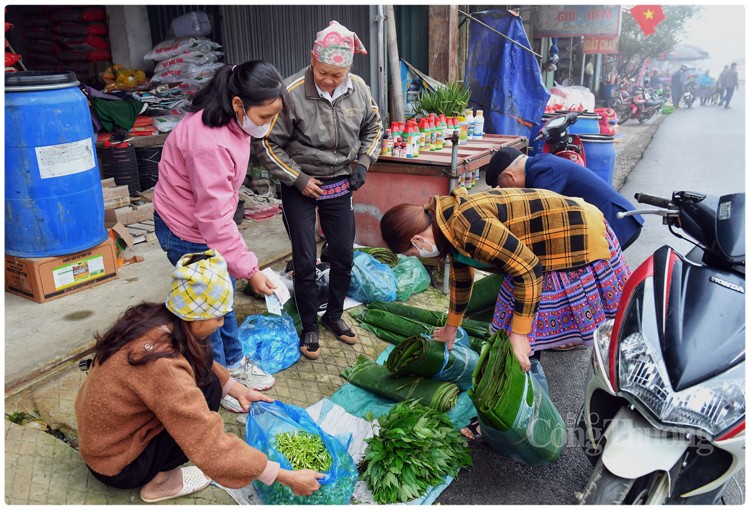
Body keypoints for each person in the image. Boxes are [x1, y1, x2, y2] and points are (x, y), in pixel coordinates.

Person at [75, 250, 325, 503]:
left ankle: (157, 465)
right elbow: (208, 443)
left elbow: (201, 362)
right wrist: (286, 476)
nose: (221, 324)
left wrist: (238, 390)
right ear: (195, 316)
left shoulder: (156, 320)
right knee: (204, 403)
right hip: (118, 465)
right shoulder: (164, 366)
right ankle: (160, 483)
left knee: (212, 382)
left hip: (103, 441)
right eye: (218, 317)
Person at [380, 188, 630, 439]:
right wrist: (451, 328)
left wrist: (520, 335)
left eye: (412, 253)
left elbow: (529, 270)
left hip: (571, 239)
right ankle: (525, 410)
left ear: (417, 241)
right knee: (518, 332)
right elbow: (461, 277)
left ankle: (533, 419)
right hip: (535, 255)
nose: (418, 256)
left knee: (522, 338)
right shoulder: (445, 223)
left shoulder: (468, 226)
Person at [152, 61, 284, 411]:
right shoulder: (208, 143)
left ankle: (234, 363)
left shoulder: (232, 123)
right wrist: (251, 270)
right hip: (184, 229)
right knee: (206, 311)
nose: (268, 124)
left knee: (220, 297)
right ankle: (220, 382)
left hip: (205, 222)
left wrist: (241, 266)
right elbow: (213, 221)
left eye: (274, 115)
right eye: (265, 116)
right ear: (239, 104)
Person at [254, 20, 382, 361]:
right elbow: (267, 144)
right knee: (306, 258)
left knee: (343, 253)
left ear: (348, 68)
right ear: (313, 61)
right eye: (322, 72)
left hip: (341, 183)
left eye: (336, 75)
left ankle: (334, 315)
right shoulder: (291, 92)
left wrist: (364, 162)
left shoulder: (359, 88)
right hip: (300, 186)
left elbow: (374, 126)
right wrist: (298, 179)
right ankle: (309, 324)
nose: (328, 80)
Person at [485, 147, 644, 251]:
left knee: (595, 276)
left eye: (502, 186)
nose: (505, 191)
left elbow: (539, 217)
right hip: (615, 221)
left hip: (619, 223)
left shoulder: (545, 172)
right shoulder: (540, 164)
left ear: (509, 176)